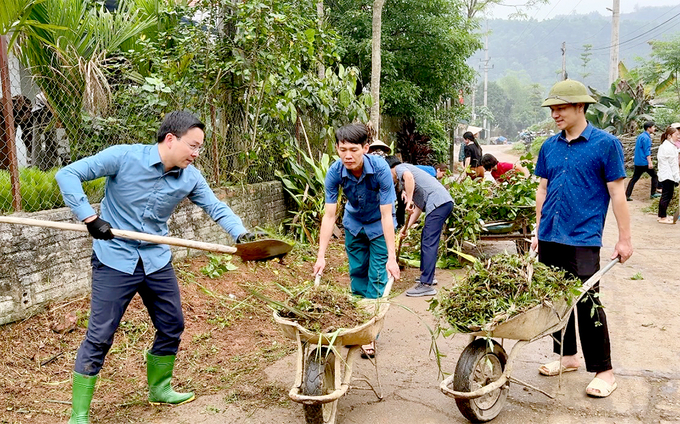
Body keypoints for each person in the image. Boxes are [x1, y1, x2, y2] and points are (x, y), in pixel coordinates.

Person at [56, 111, 263, 423]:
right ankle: (79, 414)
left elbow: (215, 206)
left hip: (155, 260)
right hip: (115, 259)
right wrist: (90, 217)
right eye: (192, 146)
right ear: (170, 139)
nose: (196, 154)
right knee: (100, 335)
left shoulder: (190, 177)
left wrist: (241, 233)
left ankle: (160, 388)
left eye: (200, 148)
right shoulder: (123, 157)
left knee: (172, 325)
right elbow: (67, 175)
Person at [532, 79, 633, 398]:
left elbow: (618, 193)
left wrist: (624, 239)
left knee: (588, 303)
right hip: (550, 234)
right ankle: (568, 357)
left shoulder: (605, 144)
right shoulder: (549, 146)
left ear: (580, 107)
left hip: (583, 237)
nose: (555, 114)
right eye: (553, 109)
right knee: (555, 300)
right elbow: (543, 190)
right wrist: (537, 231)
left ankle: (605, 371)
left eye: (561, 108)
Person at [314, 123, 400, 358]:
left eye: (354, 149)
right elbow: (330, 214)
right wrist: (321, 257)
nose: (348, 155)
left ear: (366, 148)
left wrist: (392, 258)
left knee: (378, 276)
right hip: (354, 225)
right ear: (337, 149)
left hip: (380, 227)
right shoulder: (334, 172)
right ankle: (357, 326)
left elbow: (385, 213)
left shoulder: (380, 168)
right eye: (343, 150)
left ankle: (369, 335)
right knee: (357, 273)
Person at [385, 156, 453, 297]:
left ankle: (426, 284)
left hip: (439, 203)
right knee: (426, 237)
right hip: (442, 203)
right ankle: (427, 277)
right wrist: (406, 228)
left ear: (389, 168)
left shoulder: (400, 168)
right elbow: (418, 209)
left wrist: (408, 201)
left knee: (429, 241)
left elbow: (409, 177)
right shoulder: (405, 181)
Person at [625, 121, 660, 201]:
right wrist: (650, 162)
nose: (654, 129)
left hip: (638, 161)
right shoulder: (647, 138)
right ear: (649, 128)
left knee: (634, 178)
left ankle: (627, 195)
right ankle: (653, 193)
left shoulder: (640, 136)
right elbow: (647, 151)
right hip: (644, 162)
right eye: (653, 127)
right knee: (654, 176)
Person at [656, 126, 680, 224]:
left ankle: (662, 215)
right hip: (668, 175)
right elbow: (673, 164)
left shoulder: (667, 145)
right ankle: (662, 217)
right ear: (670, 136)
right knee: (666, 196)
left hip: (665, 173)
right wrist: (677, 178)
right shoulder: (668, 147)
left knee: (666, 195)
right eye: (676, 135)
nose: (678, 137)